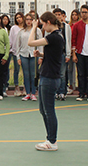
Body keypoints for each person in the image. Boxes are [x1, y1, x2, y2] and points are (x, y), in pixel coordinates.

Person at [25, 12, 64, 151]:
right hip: (46, 75)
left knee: (49, 109)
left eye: (43, 24)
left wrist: (34, 28)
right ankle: (49, 138)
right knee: (43, 109)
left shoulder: (54, 36)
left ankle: (52, 141)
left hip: (50, 77)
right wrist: (41, 54)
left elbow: (30, 42)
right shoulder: (56, 36)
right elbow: (53, 54)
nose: (42, 26)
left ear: (48, 22)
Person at [16, 13, 43, 101]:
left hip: (34, 55)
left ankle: (33, 93)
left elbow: (40, 44)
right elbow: (17, 45)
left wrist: (40, 56)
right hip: (24, 54)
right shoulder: (21, 31)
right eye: (27, 19)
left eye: (30, 19)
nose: (28, 21)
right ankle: (28, 93)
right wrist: (18, 57)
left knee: (33, 74)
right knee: (26, 74)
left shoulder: (37, 31)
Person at [52, 9, 71, 101]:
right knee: (55, 74)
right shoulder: (51, 27)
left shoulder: (66, 27)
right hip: (54, 54)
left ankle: (62, 92)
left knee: (62, 74)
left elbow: (69, 40)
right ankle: (55, 92)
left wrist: (68, 54)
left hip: (62, 53)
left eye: (59, 14)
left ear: (62, 15)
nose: (57, 16)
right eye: (55, 14)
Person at [8, 12, 25, 97]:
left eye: (20, 17)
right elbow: (10, 40)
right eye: (17, 17)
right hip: (15, 52)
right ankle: (17, 87)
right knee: (16, 70)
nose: (19, 19)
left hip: (25, 52)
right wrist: (9, 49)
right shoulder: (13, 28)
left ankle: (26, 88)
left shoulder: (26, 28)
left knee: (26, 71)